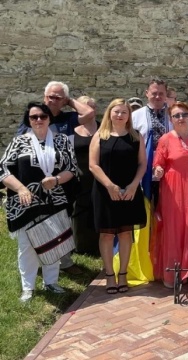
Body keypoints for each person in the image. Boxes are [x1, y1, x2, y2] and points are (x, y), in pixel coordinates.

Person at [0, 102, 78, 302]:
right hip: (26, 202)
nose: (39, 120)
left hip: (55, 201)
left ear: (49, 118)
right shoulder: (19, 142)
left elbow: (72, 168)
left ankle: (51, 282)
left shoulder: (61, 141)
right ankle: (28, 287)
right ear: (29, 120)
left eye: (43, 116)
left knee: (53, 242)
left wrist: (57, 180)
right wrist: (20, 188)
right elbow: (3, 170)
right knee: (27, 245)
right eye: (34, 117)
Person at [152, 102, 188, 288]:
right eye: (176, 115)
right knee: (175, 232)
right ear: (171, 119)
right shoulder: (166, 139)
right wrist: (159, 170)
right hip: (174, 195)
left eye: (184, 115)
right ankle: (172, 273)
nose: (181, 118)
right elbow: (157, 165)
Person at [89, 99, 147, 294]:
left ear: (129, 115)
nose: (120, 115)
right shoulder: (100, 135)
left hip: (129, 192)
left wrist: (133, 185)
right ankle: (109, 275)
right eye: (116, 111)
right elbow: (93, 165)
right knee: (106, 234)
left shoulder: (136, 136)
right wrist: (110, 186)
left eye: (124, 112)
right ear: (109, 113)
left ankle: (122, 274)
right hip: (105, 192)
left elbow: (142, 164)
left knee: (124, 234)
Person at [72, 96, 100, 256]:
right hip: (80, 176)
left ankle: (99, 246)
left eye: (92, 107)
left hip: (100, 175)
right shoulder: (72, 130)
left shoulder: (103, 129)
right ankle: (81, 245)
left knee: (98, 209)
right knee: (80, 210)